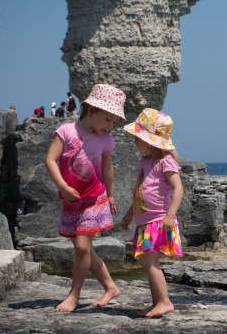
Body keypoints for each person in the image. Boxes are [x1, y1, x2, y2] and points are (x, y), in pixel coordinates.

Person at [44, 83, 126, 312]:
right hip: (72, 200)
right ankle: (110, 287)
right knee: (86, 250)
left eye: (114, 122)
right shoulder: (67, 132)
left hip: (94, 198)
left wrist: (110, 195)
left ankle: (74, 295)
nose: (111, 126)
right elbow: (50, 160)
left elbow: (108, 169)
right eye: (108, 120)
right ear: (91, 110)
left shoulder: (106, 140)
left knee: (81, 247)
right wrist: (62, 186)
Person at [120, 108, 183, 318]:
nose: (134, 143)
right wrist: (130, 214)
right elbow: (140, 192)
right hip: (144, 221)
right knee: (148, 264)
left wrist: (170, 215)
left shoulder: (166, 161)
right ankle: (157, 302)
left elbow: (178, 188)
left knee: (150, 262)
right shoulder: (146, 162)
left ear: (149, 141)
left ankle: (165, 302)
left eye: (137, 138)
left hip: (158, 220)